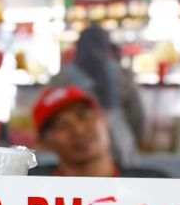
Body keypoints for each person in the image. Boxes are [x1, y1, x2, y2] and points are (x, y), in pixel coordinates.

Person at [29, 85, 165, 179]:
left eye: (84, 116)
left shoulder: (156, 185)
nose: (78, 130)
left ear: (103, 119)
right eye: (61, 125)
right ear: (43, 142)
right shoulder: (28, 188)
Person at [52, 24, 136, 165]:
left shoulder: (64, 76)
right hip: (120, 141)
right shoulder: (121, 73)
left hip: (77, 144)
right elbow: (137, 111)